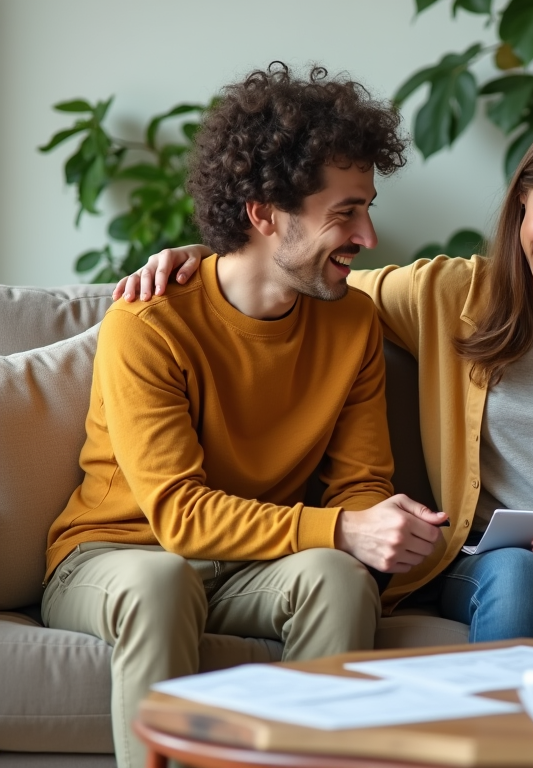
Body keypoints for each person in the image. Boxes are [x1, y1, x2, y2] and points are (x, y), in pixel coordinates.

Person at [115, 107, 533, 645]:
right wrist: (205, 254)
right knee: (516, 572)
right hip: (482, 554)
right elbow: (299, 275)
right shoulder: (446, 293)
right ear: (522, 198)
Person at [44, 64, 447, 768]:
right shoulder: (151, 322)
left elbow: (360, 483)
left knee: (340, 575)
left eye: (368, 207)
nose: (369, 234)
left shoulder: (351, 323)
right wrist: (343, 527)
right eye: (345, 212)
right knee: (162, 579)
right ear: (264, 214)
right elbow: (179, 515)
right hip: (114, 555)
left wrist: (377, 532)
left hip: (250, 564)